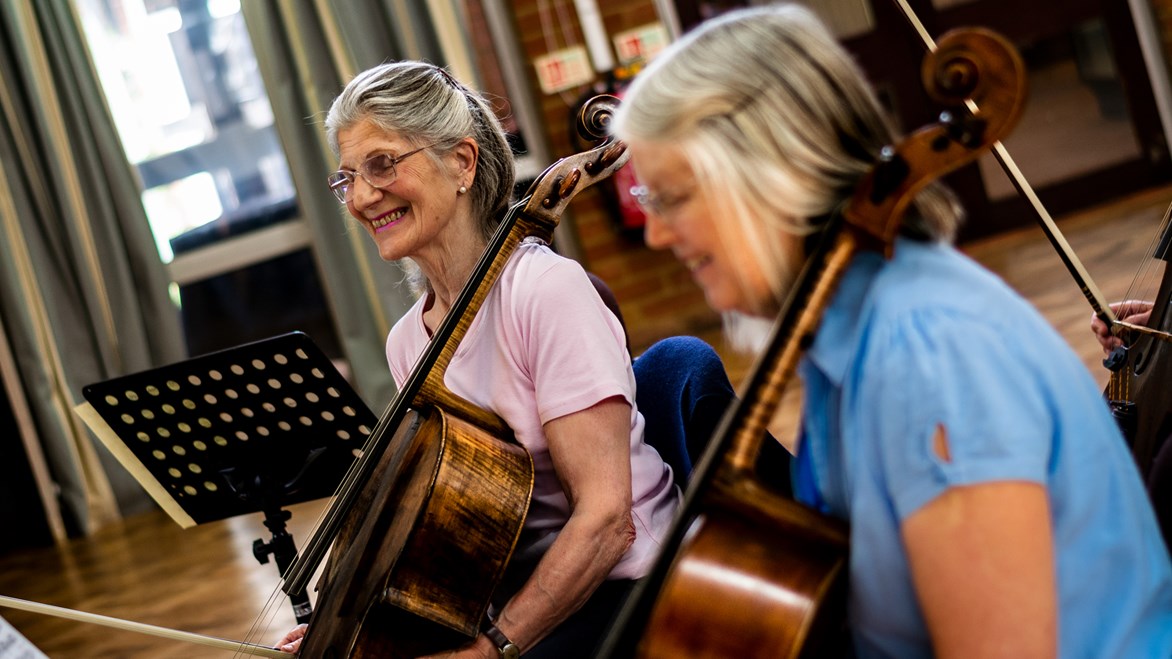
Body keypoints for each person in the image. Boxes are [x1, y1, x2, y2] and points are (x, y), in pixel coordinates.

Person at [612, 5, 1172, 658]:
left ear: (772, 178)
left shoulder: (928, 355)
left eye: (673, 196)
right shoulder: (845, 338)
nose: (654, 233)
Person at [276, 61, 680, 658]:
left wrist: (491, 650)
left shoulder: (544, 292)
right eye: (347, 178)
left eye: (383, 164)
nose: (360, 197)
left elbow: (605, 524)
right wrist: (354, 627)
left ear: (462, 163)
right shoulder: (408, 344)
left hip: (628, 592)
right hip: (518, 599)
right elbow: (452, 532)